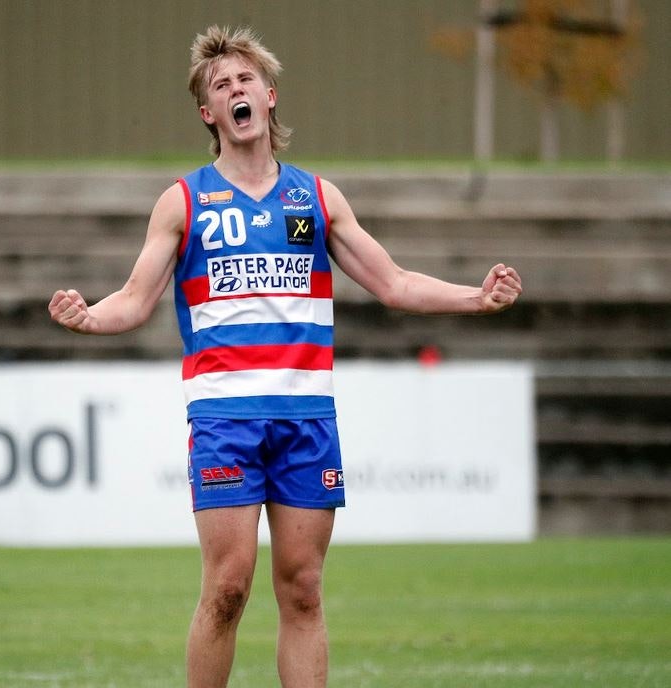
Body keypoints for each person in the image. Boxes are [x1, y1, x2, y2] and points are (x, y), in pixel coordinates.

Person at [49, 25, 522, 687]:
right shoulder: (182, 202)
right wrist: (88, 318)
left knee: (302, 589)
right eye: (221, 84)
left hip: (306, 418)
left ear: (269, 97)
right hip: (224, 421)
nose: (235, 88)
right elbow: (132, 299)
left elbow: (394, 283)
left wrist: (477, 298)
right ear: (207, 113)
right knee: (228, 588)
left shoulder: (317, 197)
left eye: (245, 79)